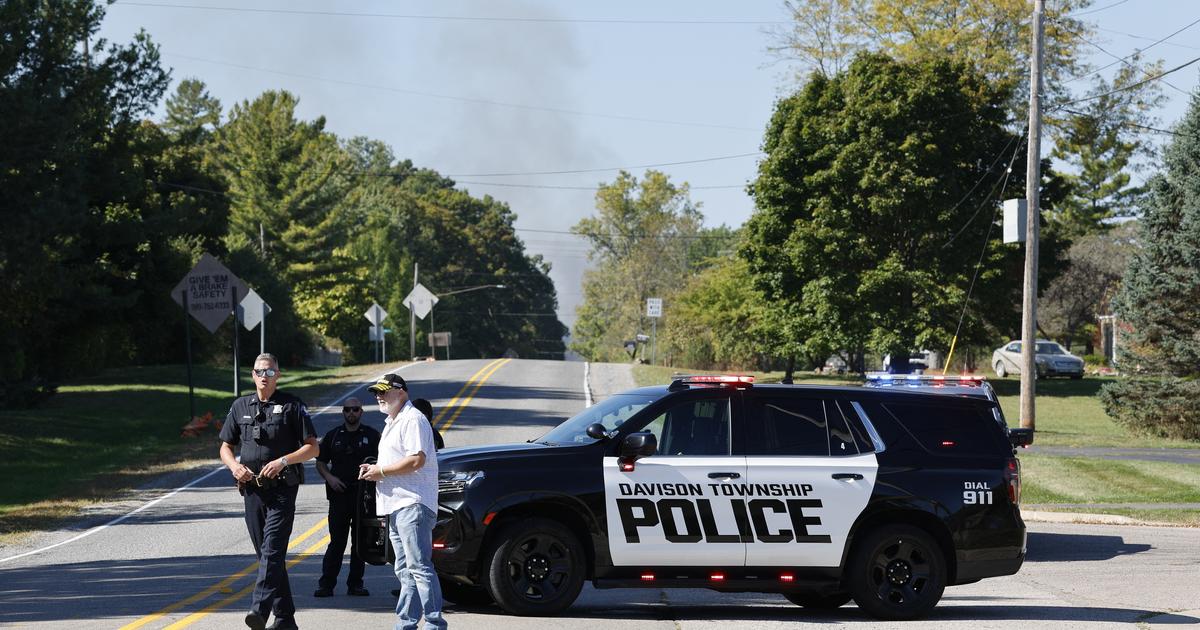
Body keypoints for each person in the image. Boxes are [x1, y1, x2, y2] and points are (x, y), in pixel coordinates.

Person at [219, 353, 319, 630]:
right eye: (260, 371)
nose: (265, 376)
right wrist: (234, 467)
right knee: (266, 557)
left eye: (270, 372)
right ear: (252, 375)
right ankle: (285, 619)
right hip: (252, 490)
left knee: (273, 551)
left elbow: (313, 447)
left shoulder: (292, 405)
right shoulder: (240, 406)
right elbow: (225, 446)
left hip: (283, 490)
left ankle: (259, 610)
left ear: (278, 375)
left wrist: (283, 460)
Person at [359, 373, 446, 630]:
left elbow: (416, 460)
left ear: (401, 392)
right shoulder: (393, 422)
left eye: (384, 391)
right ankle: (406, 624)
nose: (379, 396)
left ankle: (434, 624)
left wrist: (381, 472)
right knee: (405, 570)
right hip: (396, 506)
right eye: (376, 392)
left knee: (419, 567)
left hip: (413, 504)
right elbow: (400, 460)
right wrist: (375, 467)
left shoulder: (413, 419)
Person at [313, 396, 380, 598]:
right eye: (348, 410)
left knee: (359, 543)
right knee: (337, 543)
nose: (351, 413)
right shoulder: (333, 436)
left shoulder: (373, 436)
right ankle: (326, 585)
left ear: (361, 412)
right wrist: (330, 478)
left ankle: (355, 585)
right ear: (343, 412)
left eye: (355, 409)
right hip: (339, 496)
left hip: (364, 497)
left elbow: (384, 461)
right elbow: (320, 462)